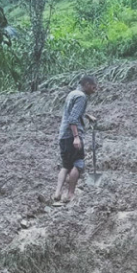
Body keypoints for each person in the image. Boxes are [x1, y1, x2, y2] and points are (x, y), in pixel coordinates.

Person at [53, 75, 97, 203]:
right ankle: (70, 194)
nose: (95, 89)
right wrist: (76, 137)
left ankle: (57, 193)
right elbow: (72, 119)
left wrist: (86, 116)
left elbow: (71, 113)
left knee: (66, 165)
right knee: (78, 163)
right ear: (87, 84)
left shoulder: (73, 94)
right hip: (72, 135)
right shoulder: (82, 97)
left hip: (63, 135)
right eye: (94, 86)